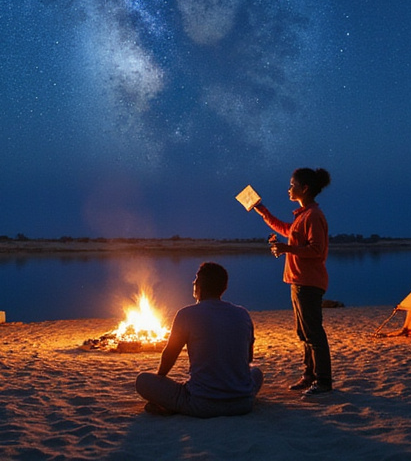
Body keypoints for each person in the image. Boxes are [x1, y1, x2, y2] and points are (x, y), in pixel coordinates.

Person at [135, 262, 264, 417]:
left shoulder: (186, 314)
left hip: (202, 404)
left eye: (195, 280)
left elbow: (170, 354)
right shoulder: (242, 314)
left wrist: (160, 379)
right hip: (243, 404)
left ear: (200, 286)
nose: (193, 283)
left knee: (142, 381)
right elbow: (248, 359)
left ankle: (171, 407)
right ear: (224, 287)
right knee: (256, 373)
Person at [251, 167, 332, 397]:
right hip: (298, 282)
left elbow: (316, 250)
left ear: (304, 189)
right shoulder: (304, 215)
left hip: (309, 282)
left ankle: (323, 381)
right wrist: (262, 210)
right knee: (303, 332)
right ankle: (309, 376)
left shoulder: (314, 216)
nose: (289, 189)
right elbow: (286, 229)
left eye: (292, 185)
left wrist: (287, 248)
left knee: (313, 333)